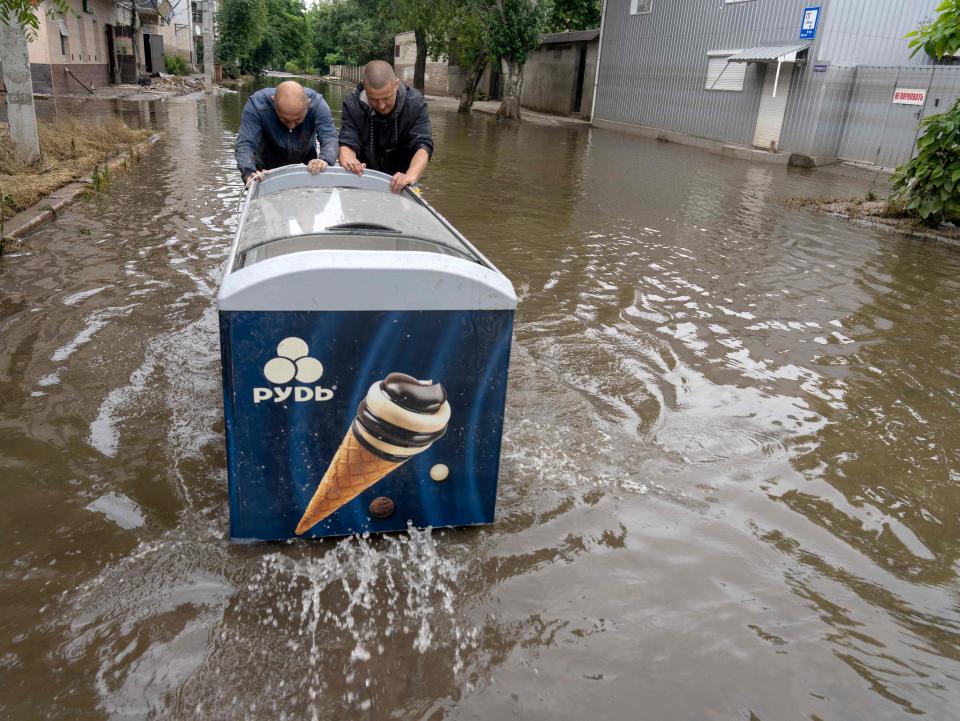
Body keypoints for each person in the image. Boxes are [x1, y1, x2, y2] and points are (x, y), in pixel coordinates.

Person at [338, 61, 434, 194]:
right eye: (373, 99)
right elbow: (348, 139)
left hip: (401, 180)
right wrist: (348, 159)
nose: (381, 106)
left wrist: (410, 176)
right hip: (362, 177)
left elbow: (423, 145)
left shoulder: (415, 103)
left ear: (396, 85)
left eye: (386, 98)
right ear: (364, 87)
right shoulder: (352, 104)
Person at [235, 81, 338, 184]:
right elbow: (245, 142)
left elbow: (329, 137)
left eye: (297, 120)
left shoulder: (318, 105)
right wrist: (249, 171)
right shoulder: (257, 105)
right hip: (265, 169)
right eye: (284, 120)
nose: (291, 125)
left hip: (306, 168)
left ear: (308, 104)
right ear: (274, 102)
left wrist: (325, 160)